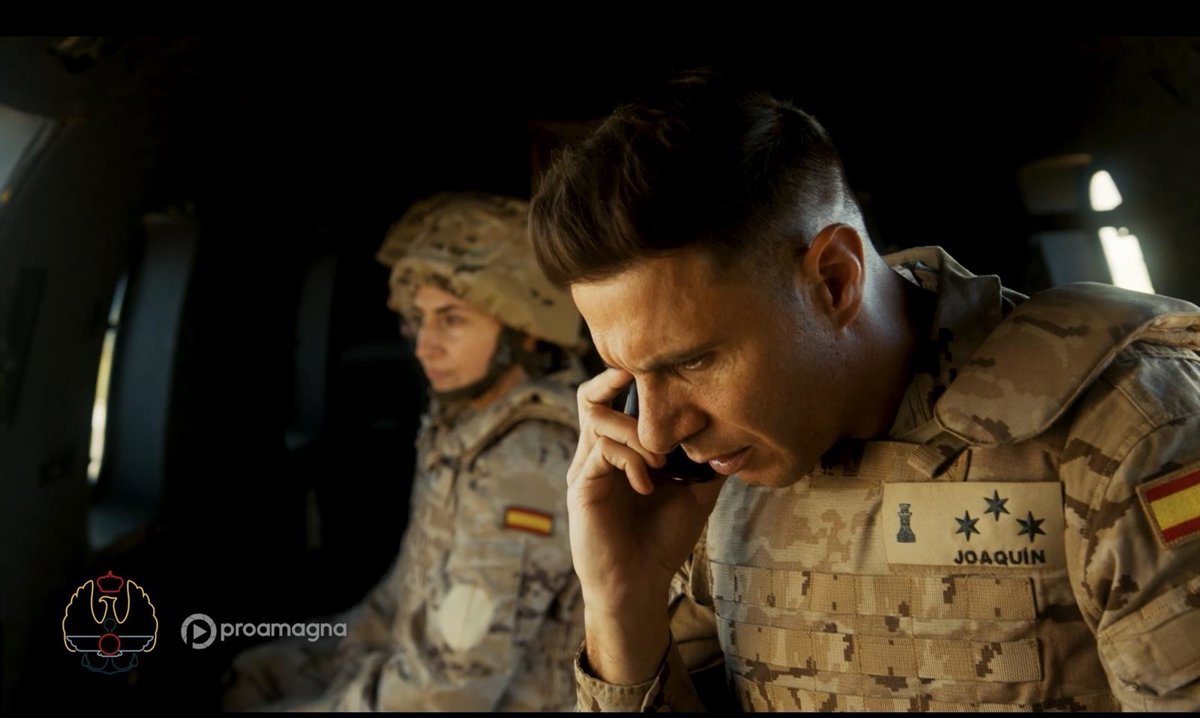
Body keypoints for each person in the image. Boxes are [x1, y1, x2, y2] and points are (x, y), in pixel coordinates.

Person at [527, 71, 1200, 711]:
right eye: (630, 374)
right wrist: (621, 605)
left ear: (835, 281)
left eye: (693, 361)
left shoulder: (1130, 434)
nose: (655, 431)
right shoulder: (705, 483)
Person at [223, 192, 588, 711]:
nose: (423, 345)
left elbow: (448, 688)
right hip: (413, 670)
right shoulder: (465, 425)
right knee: (249, 675)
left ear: (523, 330)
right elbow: (401, 598)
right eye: (419, 319)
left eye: (452, 319)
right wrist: (324, 657)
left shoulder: (526, 461)